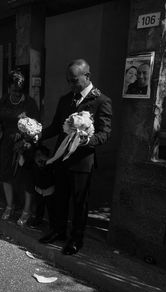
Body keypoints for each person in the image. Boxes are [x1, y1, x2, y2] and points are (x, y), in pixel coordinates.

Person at [39, 59, 112, 255]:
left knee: (79, 203)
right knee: (59, 198)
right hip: (62, 158)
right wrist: (38, 134)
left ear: (86, 77)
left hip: (82, 162)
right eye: (68, 81)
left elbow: (105, 134)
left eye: (74, 80)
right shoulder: (66, 99)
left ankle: (76, 239)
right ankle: (58, 231)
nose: (71, 84)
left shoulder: (101, 101)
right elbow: (56, 126)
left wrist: (87, 140)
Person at [0, 70, 39, 224]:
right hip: (6, 143)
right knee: (6, 174)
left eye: (20, 90)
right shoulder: (3, 101)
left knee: (25, 177)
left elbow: (37, 126)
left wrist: (27, 139)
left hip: (24, 144)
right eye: (14, 90)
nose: (17, 93)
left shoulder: (30, 103)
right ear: (8, 88)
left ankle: (26, 210)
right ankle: (10, 205)